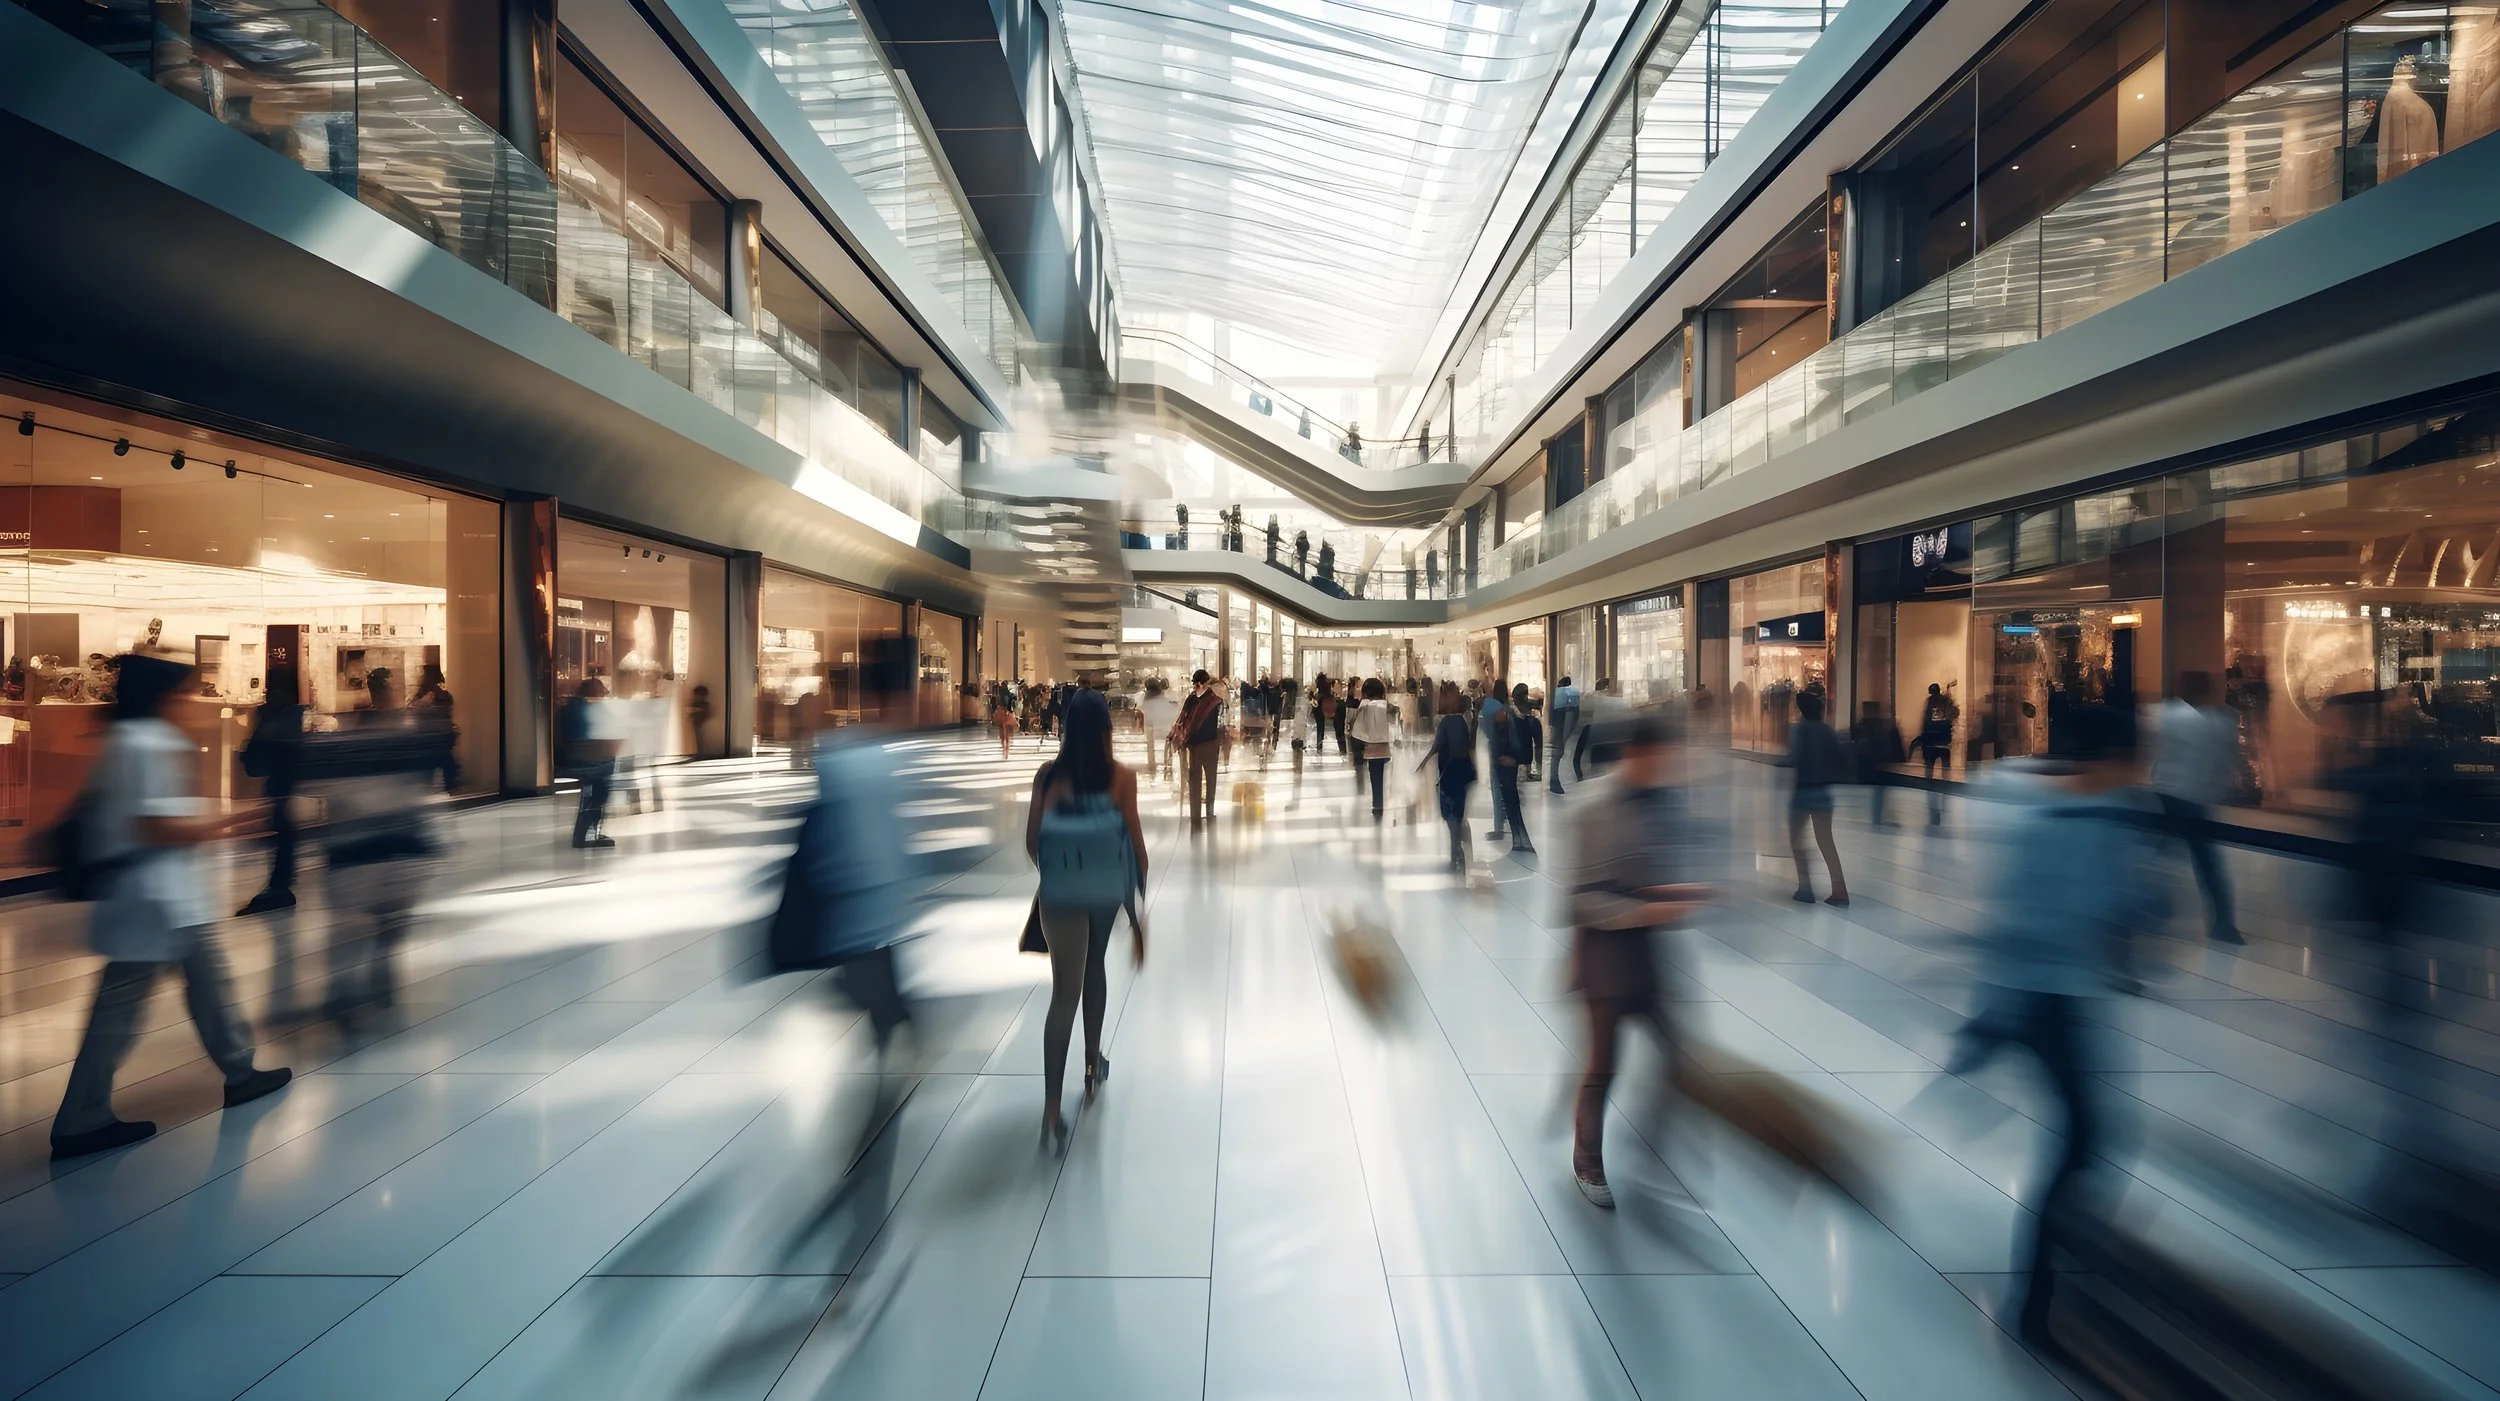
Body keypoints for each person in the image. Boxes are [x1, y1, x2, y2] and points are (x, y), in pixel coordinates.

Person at [1952, 714, 2161, 1345]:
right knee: (2085, 1139)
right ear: (2109, 765)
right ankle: (2037, 1295)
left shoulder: (2084, 819)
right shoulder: (2073, 826)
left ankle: (2058, 1269)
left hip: (2050, 997)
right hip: (2047, 1001)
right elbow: (2051, 918)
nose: (2140, 778)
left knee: (2089, 1137)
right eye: (2135, 766)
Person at [50, 650, 292, 1160]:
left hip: (155, 897)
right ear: (162, 696)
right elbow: (153, 826)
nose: (190, 701)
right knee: (124, 1009)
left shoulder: (123, 739)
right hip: (156, 897)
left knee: (208, 984)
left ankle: (239, 1068)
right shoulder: (148, 742)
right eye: (184, 692)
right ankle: (81, 1117)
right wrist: (229, 824)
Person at [1566, 712, 1716, 1206]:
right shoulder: (1593, 809)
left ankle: (1651, 1152)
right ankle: (1588, 1159)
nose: (1668, 767)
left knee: (1677, 1057)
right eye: (1660, 758)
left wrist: (1678, 891)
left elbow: (1654, 872)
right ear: (1635, 753)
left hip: (1649, 953)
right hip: (1604, 957)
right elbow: (1581, 901)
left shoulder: (1664, 803)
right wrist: (1650, 906)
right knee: (1603, 1065)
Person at [1025, 689, 1147, 1152]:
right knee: (1095, 968)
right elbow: (1136, 847)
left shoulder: (1047, 776)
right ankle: (1092, 1068)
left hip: (1060, 896)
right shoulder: (1120, 778)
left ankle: (1052, 1110)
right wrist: (1137, 915)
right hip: (1103, 893)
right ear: (1106, 732)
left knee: (1063, 995)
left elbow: (1032, 843)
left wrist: (1060, 873)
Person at [2151, 671, 2242, 943]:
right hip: (2195, 798)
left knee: (2153, 853)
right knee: (2208, 863)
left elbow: (2152, 751)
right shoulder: (2219, 722)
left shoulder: (2166, 714)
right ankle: (2224, 922)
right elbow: (2225, 762)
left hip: (2166, 794)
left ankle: (2141, 912)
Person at [235, 673, 305, 915]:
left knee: (282, 828)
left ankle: (280, 884)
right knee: (283, 828)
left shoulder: (273, 715)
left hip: (280, 781)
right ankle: (280, 883)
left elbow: (258, 747)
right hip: (284, 781)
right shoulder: (291, 714)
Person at [1785, 692, 1851, 905]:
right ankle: (1839, 889)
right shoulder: (1828, 732)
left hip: (1803, 792)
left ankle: (1805, 887)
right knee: (1826, 840)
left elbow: (1794, 757)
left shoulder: (1799, 730)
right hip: (1823, 793)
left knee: (1797, 840)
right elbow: (1839, 760)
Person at [560, 677, 621, 849]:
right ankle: (587, 834)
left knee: (592, 792)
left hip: (572, 759)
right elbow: (608, 729)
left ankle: (584, 833)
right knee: (601, 791)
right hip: (589, 759)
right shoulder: (591, 708)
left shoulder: (571, 707)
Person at [1421, 682, 1478, 870]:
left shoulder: (1448, 721)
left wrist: (1423, 764)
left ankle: (1456, 851)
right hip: (1464, 771)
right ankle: (1460, 849)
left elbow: (1438, 747)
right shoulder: (1464, 720)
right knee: (1459, 813)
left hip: (1450, 771)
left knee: (1450, 815)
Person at [1176, 669, 1225, 827]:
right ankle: (1209, 811)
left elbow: (1182, 719)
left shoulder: (1190, 699)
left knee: (1195, 778)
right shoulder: (1216, 701)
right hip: (1210, 744)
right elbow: (1221, 724)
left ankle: (1194, 812)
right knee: (1211, 779)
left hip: (1194, 745)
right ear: (1207, 682)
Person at [1349, 677, 1395, 819]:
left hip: (1370, 749)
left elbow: (1356, 729)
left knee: (1375, 778)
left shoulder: (1365, 707)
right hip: (1386, 748)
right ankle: (1381, 804)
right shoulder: (1388, 707)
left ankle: (1377, 806)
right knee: (1384, 779)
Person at [1853, 701, 1904, 826]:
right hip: (1879, 765)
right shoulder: (1882, 727)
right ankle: (1879, 816)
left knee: (1878, 793)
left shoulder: (1865, 727)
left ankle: (1878, 816)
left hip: (1874, 765)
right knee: (1879, 792)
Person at [1916, 683, 1957, 824]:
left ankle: (1930, 783)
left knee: (1930, 767)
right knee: (1945, 766)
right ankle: (1945, 783)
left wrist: (1923, 737)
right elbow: (1954, 713)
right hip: (1943, 741)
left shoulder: (1930, 702)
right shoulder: (1946, 700)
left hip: (1931, 741)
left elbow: (1925, 720)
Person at [1138, 676, 1178, 778]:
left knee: (1151, 748)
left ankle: (1152, 767)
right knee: (1167, 745)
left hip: (1151, 728)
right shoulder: (1161, 697)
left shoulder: (1146, 697)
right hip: (1164, 728)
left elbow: (1142, 710)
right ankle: (1166, 765)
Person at [1548, 675, 1581, 793]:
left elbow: (1551, 713)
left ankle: (1554, 779)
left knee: (1556, 752)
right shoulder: (1571, 695)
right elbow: (1572, 717)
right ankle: (1554, 780)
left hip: (1558, 722)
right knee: (1558, 751)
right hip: (1564, 721)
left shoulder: (1556, 694)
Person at [993, 680, 1020, 758]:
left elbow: (996, 702)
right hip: (1008, 712)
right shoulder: (1009, 693)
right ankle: (1007, 748)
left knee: (1001, 730)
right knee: (1008, 731)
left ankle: (1003, 747)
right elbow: (1014, 702)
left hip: (1000, 711)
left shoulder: (999, 692)